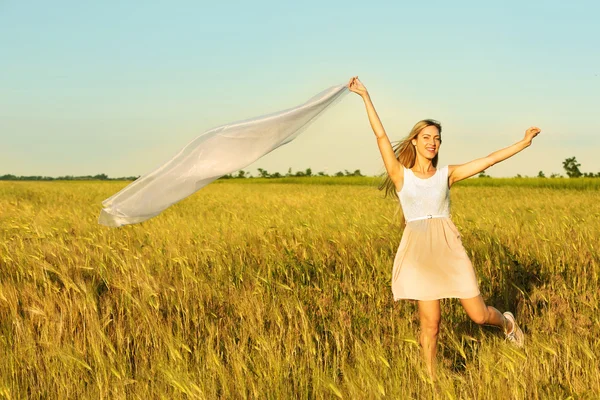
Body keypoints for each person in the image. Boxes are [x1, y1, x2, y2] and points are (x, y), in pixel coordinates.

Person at [347, 76, 540, 378]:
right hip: (419, 254)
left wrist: (523, 143)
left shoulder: (446, 175)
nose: (432, 142)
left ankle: (507, 323)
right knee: (431, 324)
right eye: (426, 137)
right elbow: (381, 137)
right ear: (414, 140)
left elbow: (488, 160)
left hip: (449, 251)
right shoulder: (401, 175)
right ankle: (431, 379)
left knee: (478, 315)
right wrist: (365, 96)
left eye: (436, 138)